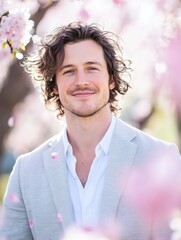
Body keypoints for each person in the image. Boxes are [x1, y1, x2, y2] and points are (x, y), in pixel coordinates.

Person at [0, 21, 181, 240]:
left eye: (92, 68)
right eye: (68, 71)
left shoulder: (158, 158)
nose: (81, 81)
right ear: (54, 85)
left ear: (111, 79)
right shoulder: (26, 171)